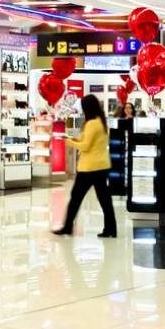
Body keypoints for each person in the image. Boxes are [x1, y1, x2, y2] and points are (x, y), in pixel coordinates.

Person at [53, 95, 117, 238]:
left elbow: (85, 146)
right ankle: (111, 228)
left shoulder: (92, 124)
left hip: (89, 167)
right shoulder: (101, 121)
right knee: (104, 199)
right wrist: (72, 137)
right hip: (101, 165)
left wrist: (68, 142)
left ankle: (67, 227)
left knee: (76, 198)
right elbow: (86, 139)